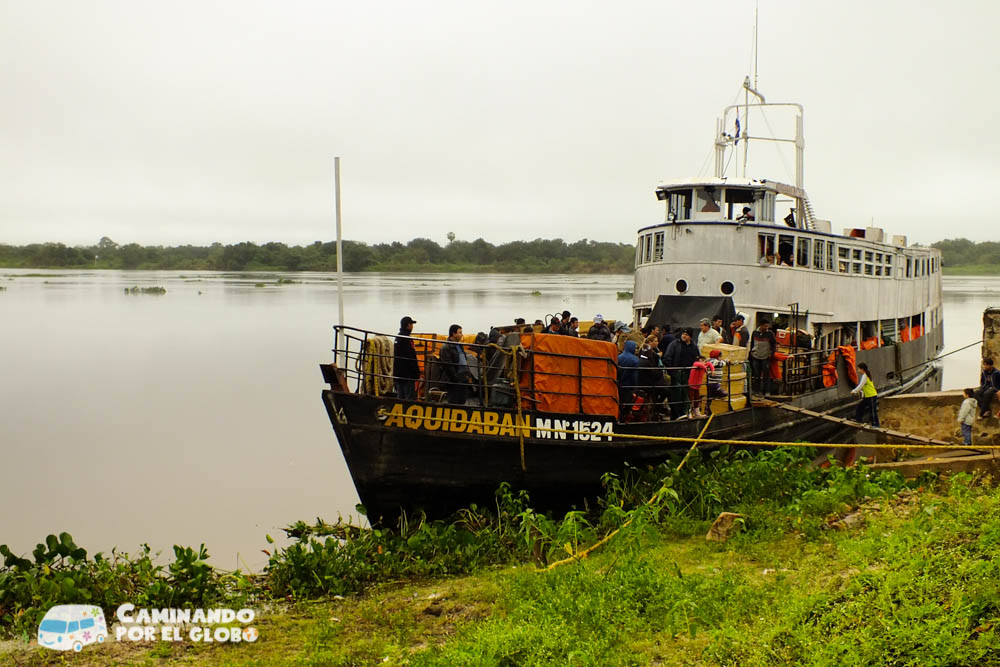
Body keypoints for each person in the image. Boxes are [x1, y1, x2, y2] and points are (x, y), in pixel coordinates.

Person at [663, 327, 699, 419]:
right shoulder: (674, 344)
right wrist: (672, 371)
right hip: (677, 373)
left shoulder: (694, 346)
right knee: (676, 393)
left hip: (688, 374)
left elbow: (697, 358)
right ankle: (676, 414)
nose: (684, 336)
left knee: (686, 394)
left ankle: (686, 412)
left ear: (690, 336)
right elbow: (667, 357)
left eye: (686, 334)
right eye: (683, 334)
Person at [439, 324, 472, 405]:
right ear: (453, 334)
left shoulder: (459, 345)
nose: (462, 335)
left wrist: (467, 374)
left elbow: (463, 359)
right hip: (455, 379)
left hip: (463, 377)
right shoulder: (446, 347)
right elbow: (447, 365)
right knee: (454, 400)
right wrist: (455, 378)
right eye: (460, 332)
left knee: (462, 399)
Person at [393, 316, 420, 400]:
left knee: (400, 395)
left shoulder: (398, 337)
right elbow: (411, 356)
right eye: (412, 324)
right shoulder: (407, 339)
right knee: (409, 397)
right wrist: (416, 372)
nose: (412, 327)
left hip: (398, 372)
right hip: (407, 374)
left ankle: (398, 410)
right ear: (408, 325)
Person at [749, 319, 776, 396]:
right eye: (765, 326)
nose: (766, 327)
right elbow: (752, 343)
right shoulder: (755, 333)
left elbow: (774, 344)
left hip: (765, 357)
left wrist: (771, 353)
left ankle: (767, 391)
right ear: (761, 325)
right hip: (756, 356)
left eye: (767, 326)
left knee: (766, 376)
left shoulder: (770, 334)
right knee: (756, 375)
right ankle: (757, 391)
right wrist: (751, 352)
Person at [851, 362, 879, 427]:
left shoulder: (865, 376)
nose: (858, 371)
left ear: (862, 369)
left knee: (872, 411)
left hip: (871, 396)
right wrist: (861, 392)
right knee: (860, 407)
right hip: (867, 396)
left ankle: (876, 425)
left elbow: (861, 385)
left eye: (858, 369)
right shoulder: (866, 375)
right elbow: (864, 386)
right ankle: (858, 420)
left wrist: (854, 391)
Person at [617, 340, 640, 418]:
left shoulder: (618, 357)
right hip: (628, 386)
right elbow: (634, 376)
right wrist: (635, 387)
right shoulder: (635, 360)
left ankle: (619, 416)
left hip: (619, 385)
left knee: (619, 402)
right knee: (629, 402)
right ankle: (625, 416)